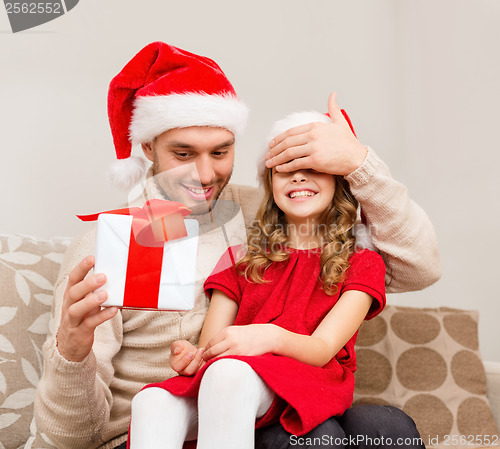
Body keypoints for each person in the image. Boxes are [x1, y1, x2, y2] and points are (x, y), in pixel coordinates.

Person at [34, 41, 438, 449]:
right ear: (147, 147)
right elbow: (67, 439)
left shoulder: (267, 213)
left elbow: (417, 267)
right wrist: (71, 351)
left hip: (266, 399)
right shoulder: (108, 244)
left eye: (220, 152)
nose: (205, 174)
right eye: (183, 153)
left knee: (388, 430)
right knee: (314, 435)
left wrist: (358, 163)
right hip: (157, 425)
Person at [128, 109, 388, 449]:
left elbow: (322, 350)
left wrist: (267, 337)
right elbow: (212, 349)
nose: (297, 178)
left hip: (305, 380)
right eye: (285, 171)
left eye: (312, 169)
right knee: (151, 401)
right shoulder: (243, 260)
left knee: (228, 374)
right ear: (270, 183)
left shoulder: (361, 262)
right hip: (232, 379)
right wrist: (193, 357)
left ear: (339, 181)